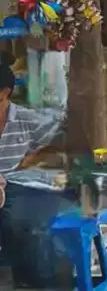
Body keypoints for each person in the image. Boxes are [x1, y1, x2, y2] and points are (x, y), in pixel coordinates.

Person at [0, 55, 63, 207]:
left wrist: (34, 157)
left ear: (6, 94)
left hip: (17, 193)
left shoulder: (25, 119)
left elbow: (60, 138)